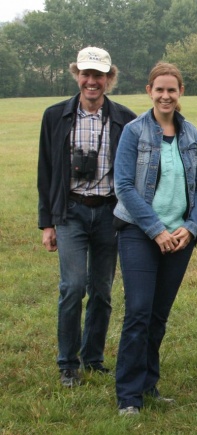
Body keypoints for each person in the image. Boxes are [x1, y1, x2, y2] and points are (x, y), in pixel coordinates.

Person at [112, 62, 197, 415]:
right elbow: (122, 185)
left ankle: (149, 385)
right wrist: (156, 230)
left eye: (172, 90)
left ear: (180, 92)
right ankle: (128, 396)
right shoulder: (134, 132)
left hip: (180, 237)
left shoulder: (191, 134)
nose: (166, 95)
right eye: (160, 89)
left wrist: (192, 226)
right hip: (140, 234)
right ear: (149, 91)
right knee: (138, 313)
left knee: (158, 316)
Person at [37, 47, 136, 387]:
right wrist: (46, 222)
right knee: (73, 286)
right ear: (76, 75)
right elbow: (46, 171)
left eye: (99, 75)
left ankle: (92, 358)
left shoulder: (126, 118)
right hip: (71, 213)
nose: (92, 81)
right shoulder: (55, 116)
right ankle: (68, 364)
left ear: (110, 79)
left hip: (110, 213)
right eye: (86, 74)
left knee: (102, 291)